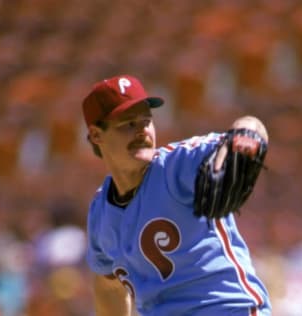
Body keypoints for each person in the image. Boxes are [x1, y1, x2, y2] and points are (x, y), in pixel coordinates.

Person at [82, 74, 272, 316]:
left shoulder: (178, 165)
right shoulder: (101, 213)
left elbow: (250, 127)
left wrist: (248, 133)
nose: (142, 131)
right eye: (128, 124)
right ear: (97, 135)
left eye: (146, 121)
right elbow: (108, 287)